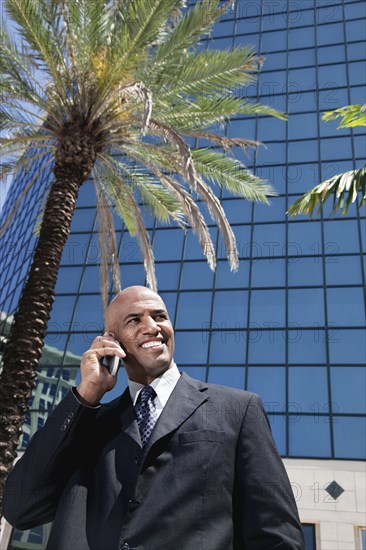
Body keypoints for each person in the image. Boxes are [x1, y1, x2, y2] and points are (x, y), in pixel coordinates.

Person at [3, 286, 305, 550]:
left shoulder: (238, 409)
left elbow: (276, 535)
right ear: (112, 340)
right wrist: (86, 394)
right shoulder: (87, 425)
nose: (152, 327)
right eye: (134, 320)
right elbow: (20, 509)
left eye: (159, 316)